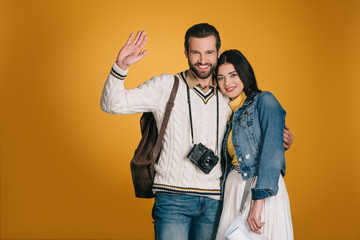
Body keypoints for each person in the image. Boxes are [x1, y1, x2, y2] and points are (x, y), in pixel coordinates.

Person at [100, 23, 293, 240]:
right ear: (186, 52)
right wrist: (121, 66)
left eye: (209, 52)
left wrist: (280, 137)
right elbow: (112, 103)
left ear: (218, 53)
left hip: (216, 200)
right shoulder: (166, 85)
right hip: (173, 198)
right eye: (196, 52)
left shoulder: (228, 94)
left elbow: (256, 133)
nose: (203, 59)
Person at [214, 50, 294, 240]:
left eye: (233, 75)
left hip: (260, 188)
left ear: (244, 73)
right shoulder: (227, 112)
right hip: (234, 187)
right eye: (220, 78)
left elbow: (272, 155)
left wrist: (257, 205)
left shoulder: (264, 100)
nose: (227, 83)